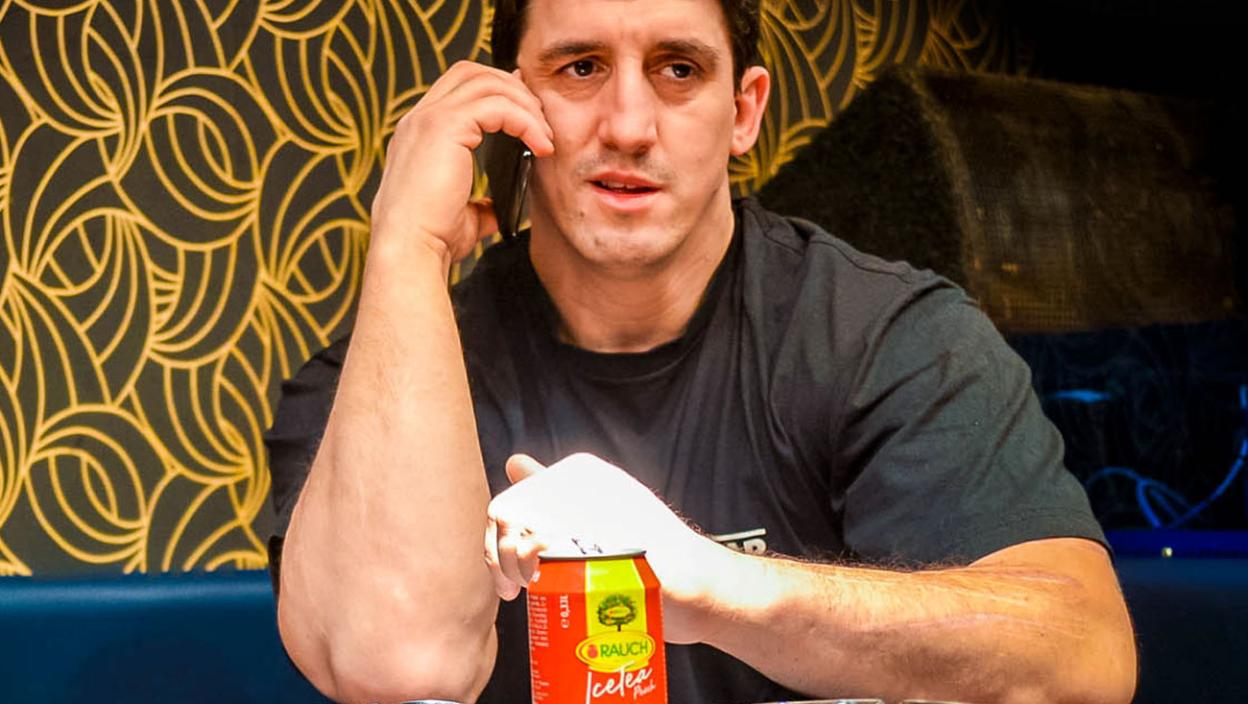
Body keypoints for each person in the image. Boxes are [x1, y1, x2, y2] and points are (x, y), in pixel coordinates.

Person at [263, 0, 1138, 702]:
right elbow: (398, 669)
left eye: (678, 69)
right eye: (580, 67)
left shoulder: (889, 337)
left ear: (743, 110)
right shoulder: (373, 384)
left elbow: (1082, 659)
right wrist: (406, 244)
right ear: (510, 110)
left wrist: (712, 586)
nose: (629, 125)